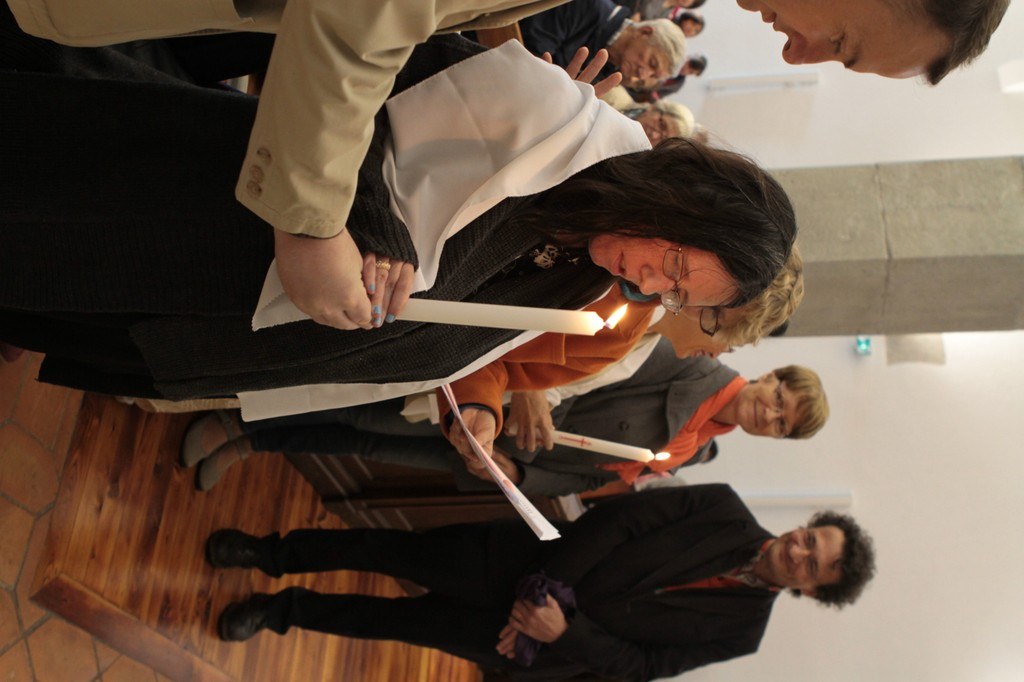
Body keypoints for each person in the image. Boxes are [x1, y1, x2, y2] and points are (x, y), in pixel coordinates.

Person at [0, 29, 795, 403]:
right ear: (684, 204)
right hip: (220, 211)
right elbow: (366, 82)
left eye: (674, 293)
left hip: (227, 323)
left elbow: (438, 336)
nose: (650, 283)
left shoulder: (583, 279)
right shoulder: (553, 116)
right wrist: (374, 235)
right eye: (674, 265)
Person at [184, 249, 805, 494]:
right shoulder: (631, 301)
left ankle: (242, 428)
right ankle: (227, 412)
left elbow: (521, 368)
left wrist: (499, 426)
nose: (715, 353)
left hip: (476, 392)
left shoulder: (633, 339)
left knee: (357, 425)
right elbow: (513, 336)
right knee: (324, 382)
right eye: (717, 329)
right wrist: (524, 395)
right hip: (415, 309)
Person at [209, 484, 876, 681]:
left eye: (813, 565)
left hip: (533, 643)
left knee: (392, 623)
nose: (799, 551)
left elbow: (642, 666)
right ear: (807, 526)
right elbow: (617, 522)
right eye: (810, 538)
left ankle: (278, 612)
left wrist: (563, 631)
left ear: (813, 592)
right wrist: (544, 593)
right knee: (382, 550)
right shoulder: (723, 506)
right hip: (518, 562)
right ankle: (269, 552)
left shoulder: (743, 634)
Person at [519, 0, 688, 90]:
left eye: (653, 75)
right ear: (644, 32)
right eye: (652, 63)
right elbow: (529, 52)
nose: (642, 75)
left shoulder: (608, 74)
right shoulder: (588, 5)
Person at [602, 86, 696, 143]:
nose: (654, 135)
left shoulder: (631, 162)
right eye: (662, 125)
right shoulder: (613, 94)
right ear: (655, 108)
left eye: (662, 139)